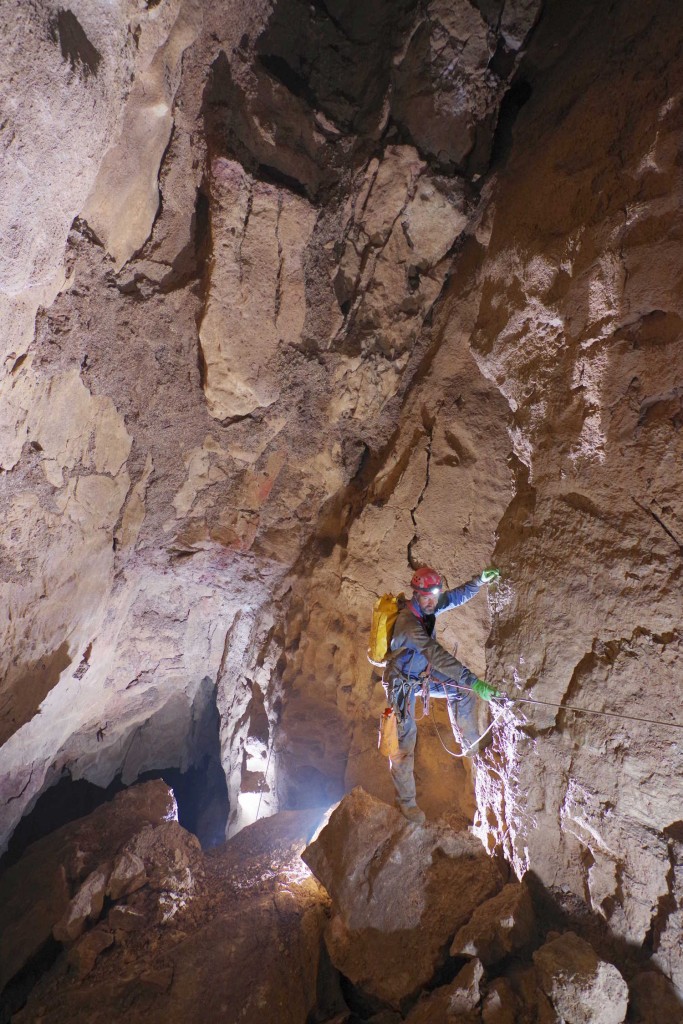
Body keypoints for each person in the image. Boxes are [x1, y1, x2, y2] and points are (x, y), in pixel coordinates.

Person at [384, 565, 501, 824]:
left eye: (434, 597)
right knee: (404, 743)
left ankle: (470, 746)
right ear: (416, 594)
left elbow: (454, 597)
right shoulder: (408, 623)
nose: (432, 602)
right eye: (426, 597)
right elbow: (434, 654)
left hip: (420, 677)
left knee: (463, 692)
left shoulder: (429, 608)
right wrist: (473, 679)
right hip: (401, 684)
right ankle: (406, 807)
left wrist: (478, 581)